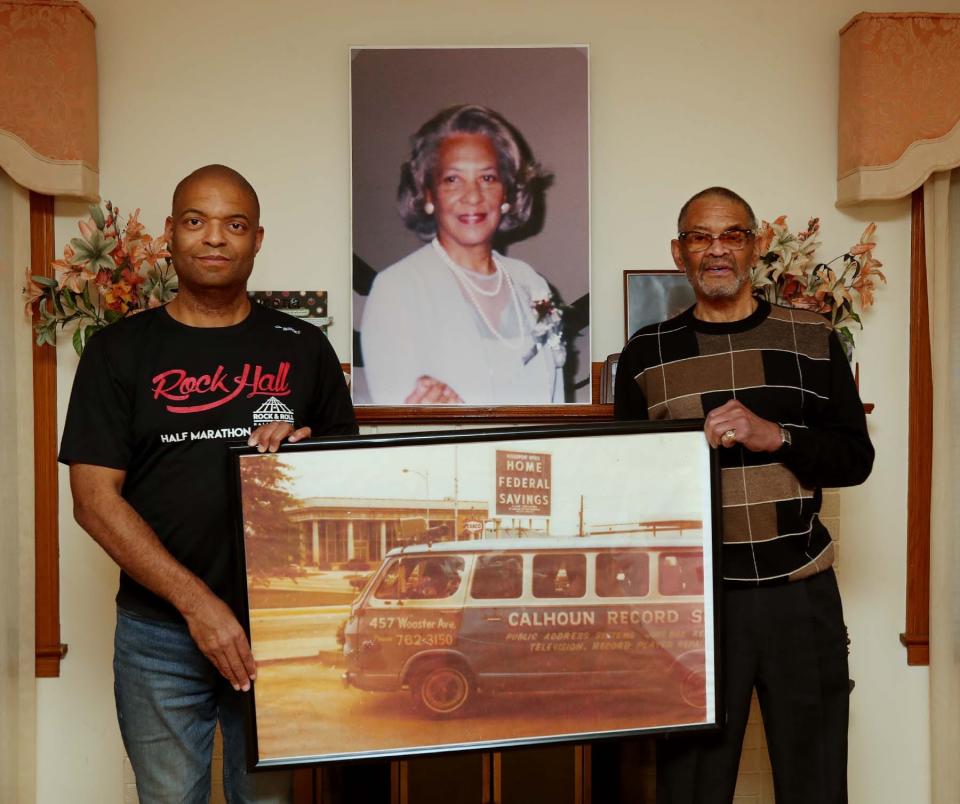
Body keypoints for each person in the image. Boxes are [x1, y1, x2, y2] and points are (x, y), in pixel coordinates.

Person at [59, 164, 357, 803]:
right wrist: (199, 607)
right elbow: (92, 500)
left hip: (275, 632)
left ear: (257, 239)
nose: (215, 238)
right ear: (170, 233)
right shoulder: (119, 351)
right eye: (196, 221)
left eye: (234, 224)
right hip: (159, 635)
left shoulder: (303, 349)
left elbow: (350, 472)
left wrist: (309, 456)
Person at [614, 187, 874, 804]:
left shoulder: (813, 337)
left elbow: (855, 460)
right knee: (691, 787)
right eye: (701, 237)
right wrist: (688, 450)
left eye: (732, 235)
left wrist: (775, 435)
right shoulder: (645, 354)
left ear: (756, 246)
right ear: (679, 253)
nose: (717, 250)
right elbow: (624, 485)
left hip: (800, 594)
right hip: (695, 602)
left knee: (814, 782)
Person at [360, 104, 565, 405]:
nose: (472, 196)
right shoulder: (398, 288)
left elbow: (556, 408)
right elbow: (401, 424)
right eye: (452, 179)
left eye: (488, 178)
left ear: (506, 193)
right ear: (428, 194)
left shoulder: (531, 283)